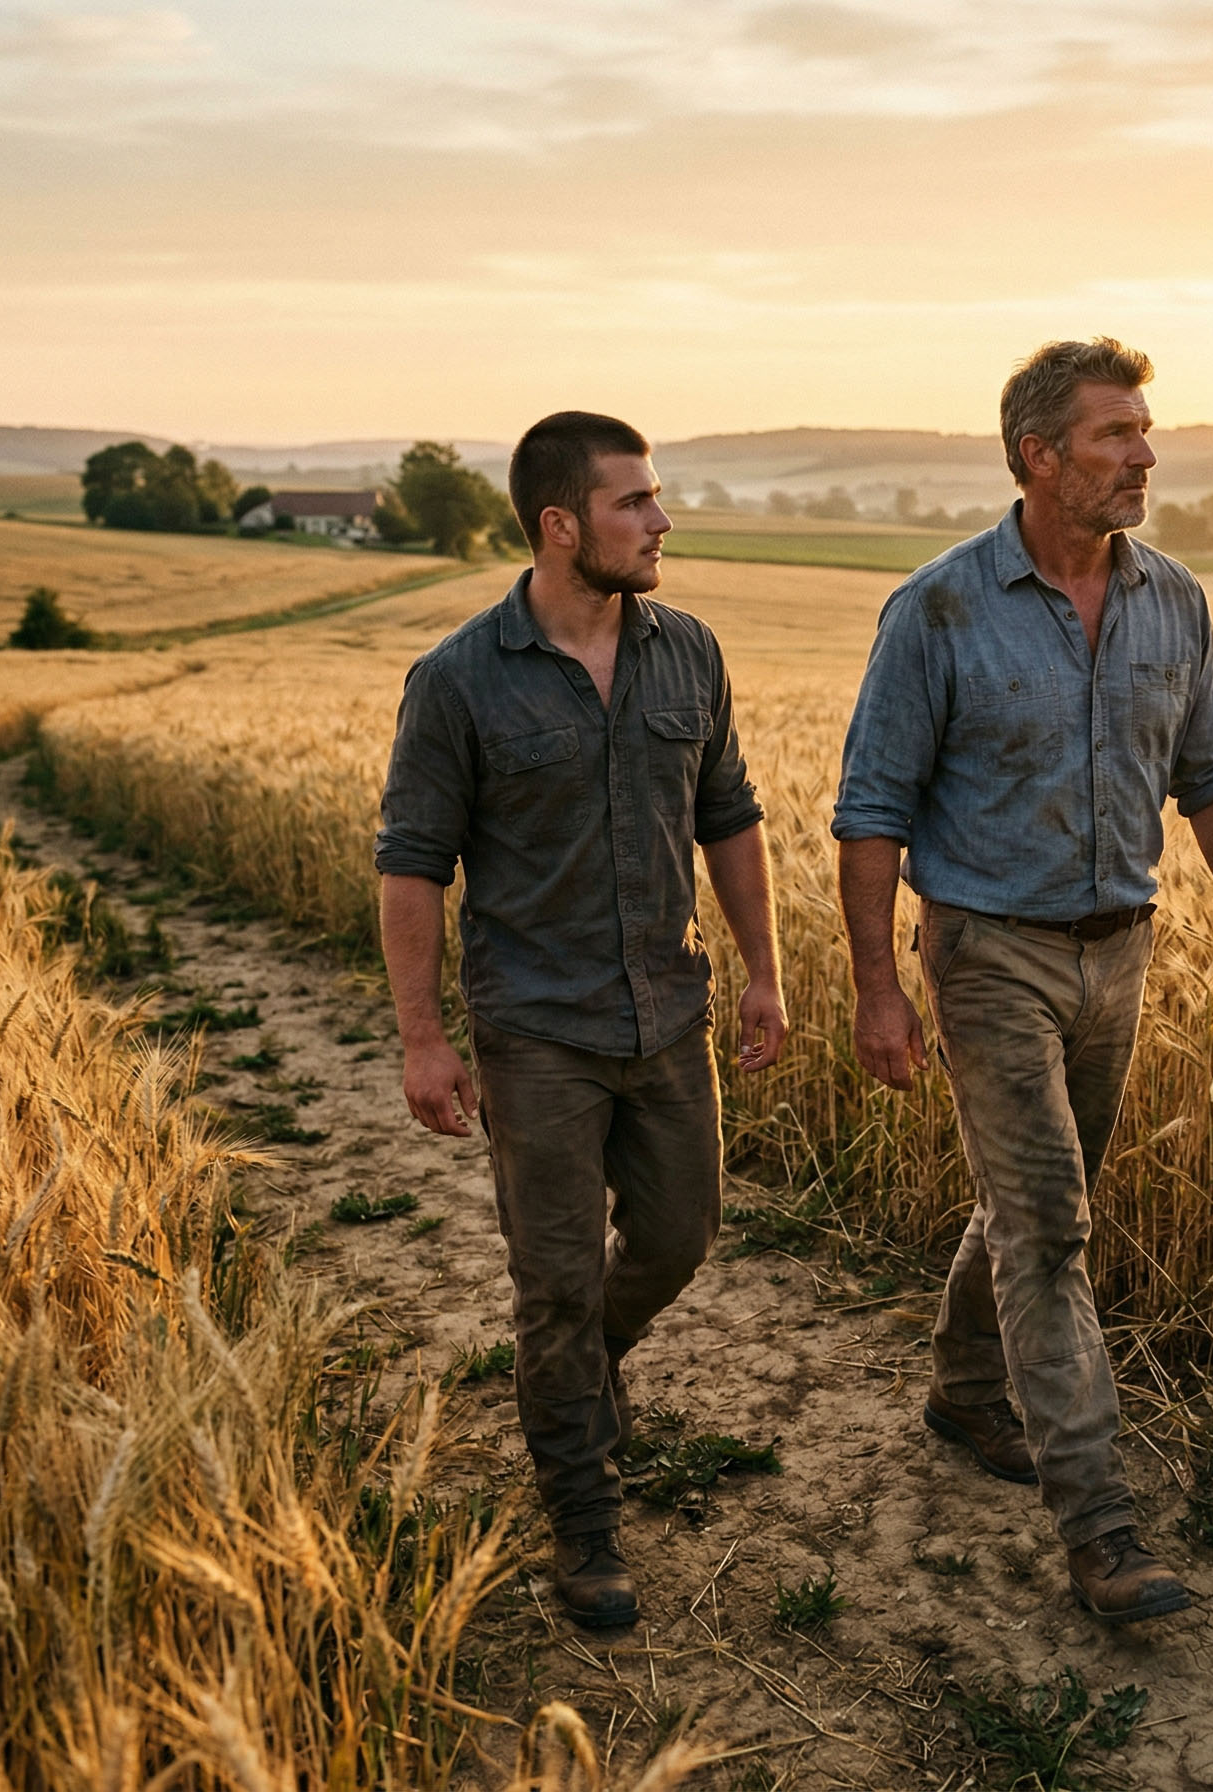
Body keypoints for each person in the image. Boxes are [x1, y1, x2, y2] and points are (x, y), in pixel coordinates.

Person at [831, 339, 1213, 1624]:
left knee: (1045, 1192)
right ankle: (1101, 1531)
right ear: (1038, 455)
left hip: (1122, 946)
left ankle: (967, 1389)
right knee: (1052, 1225)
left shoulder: (1174, 601)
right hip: (988, 951)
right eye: (1115, 435)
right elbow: (871, 812)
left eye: (1146, 432)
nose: (1145, 455)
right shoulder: (937, 607)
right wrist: (880, 986)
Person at [375, 411, 788, 1629]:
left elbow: (731, 818)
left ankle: (573, 1381)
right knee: (553, 1283)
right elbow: (413, 867)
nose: (663, 522)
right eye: (635, 503)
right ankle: (586, 1519)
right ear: (562, 526)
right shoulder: (458, 678)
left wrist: (763, 970)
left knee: (678, 1237)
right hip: (536, 1030)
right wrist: (422, 1037)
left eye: (657, 499)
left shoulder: (689, 653)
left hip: (670, 1010)